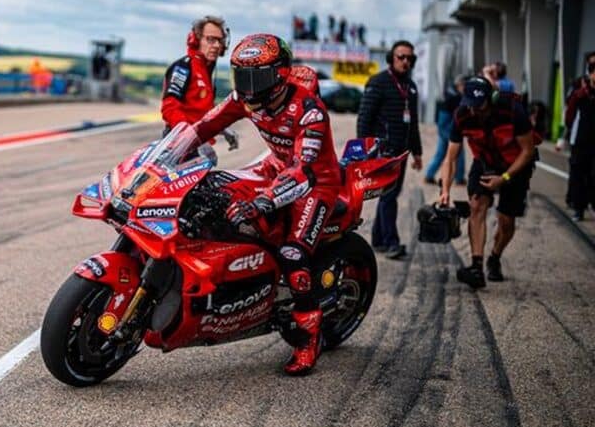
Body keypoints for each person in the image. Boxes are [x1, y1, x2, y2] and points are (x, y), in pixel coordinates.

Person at [192, 33, 341, 376]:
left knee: (293, 254)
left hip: (316, 183)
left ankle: (308, 339)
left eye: (255, 77)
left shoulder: (310, 112)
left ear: (280, 74)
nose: (248, 87)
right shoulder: (243, 99)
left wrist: (262, 201)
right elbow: (204, 125)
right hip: (274, 166)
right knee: (213, 192)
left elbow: (303, 170)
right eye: (241, 76)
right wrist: (169, 154)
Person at [440, 76, 537, 288]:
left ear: (491, 99)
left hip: (515, 166)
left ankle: (495, 256)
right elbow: (450, 158)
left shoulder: (513, 111)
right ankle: (476, 267)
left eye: (480, 106)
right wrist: (445, 190)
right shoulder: (462, 114)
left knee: (506, 222)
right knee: (476, 205)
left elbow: (528, 151)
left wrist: (504, 178)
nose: (475, 111)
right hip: (485, 163)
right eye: (471, 105)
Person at [357, 40, 423, 259]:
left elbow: (413, 124)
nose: (405, 62)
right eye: (401, 57)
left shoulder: (411, 87)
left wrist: (417, 152)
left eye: (410, 58)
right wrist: (363, 151)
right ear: (390, 59)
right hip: (383, 151)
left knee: (389, 195)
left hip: (401, 152)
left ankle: (378, 239)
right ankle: (391, 242)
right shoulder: (378, 82)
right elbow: (364, 119)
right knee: (389, 196)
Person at [161, 15, 237, 150]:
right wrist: (190, 138)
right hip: (179, 147)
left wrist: (222, 128)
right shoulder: (184, 67)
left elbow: (201, 113)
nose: (217, 45)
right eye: (210, 39)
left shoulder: (205, 70)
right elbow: (170, 108)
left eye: (220, 41)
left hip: (198, 146)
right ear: (196, 41)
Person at [561, 50, 595, 220]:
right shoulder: (580, 94)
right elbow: (569, 116)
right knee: (579, 174)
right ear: (591, 73)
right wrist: (566, 136)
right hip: (581, 139)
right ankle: (578, 207)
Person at [425, 75, 467, 186]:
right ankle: (459, 178)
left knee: (441, 153)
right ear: (460, 85)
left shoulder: (451, 92)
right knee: (458, 151)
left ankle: (429, 175)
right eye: (464, 86)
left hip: (444, 126)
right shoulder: (455, 96)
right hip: (447, 126)